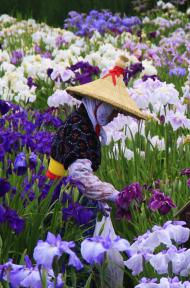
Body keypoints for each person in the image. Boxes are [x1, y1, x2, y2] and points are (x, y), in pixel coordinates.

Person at [46, 55, 148, 287]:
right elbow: (80, 178)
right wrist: (115, 195)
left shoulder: (84, 124)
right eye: (112, 111)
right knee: (85, 263)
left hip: (75, 200)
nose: (113, 116)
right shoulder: (78, 129)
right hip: (70, 204)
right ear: (98, 104)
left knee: (103, 261)